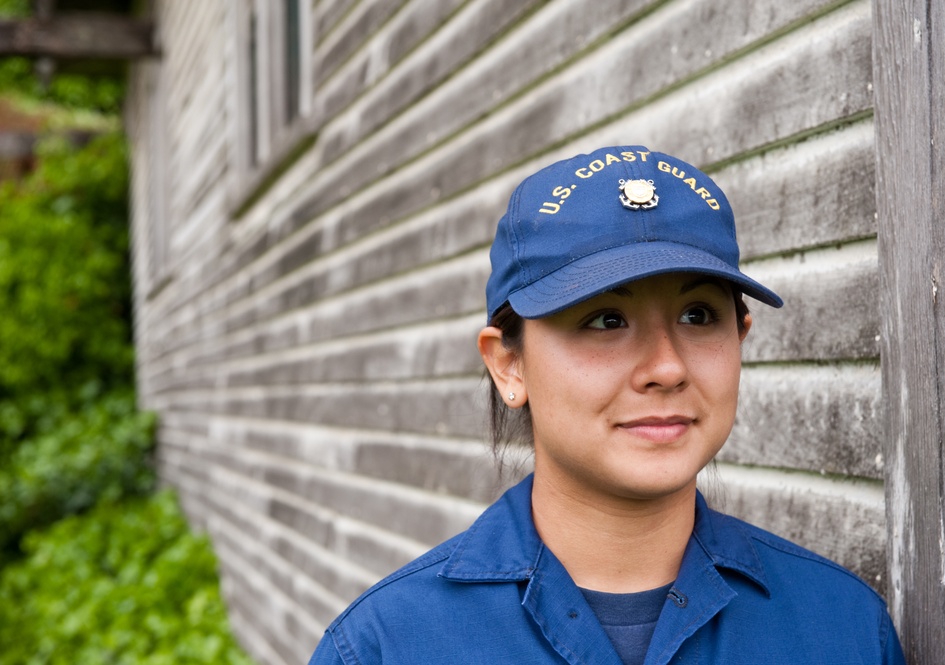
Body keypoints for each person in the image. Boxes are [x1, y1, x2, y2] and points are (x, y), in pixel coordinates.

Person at [308, 145, 906, 664]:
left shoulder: (844, 630)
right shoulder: (387, 647)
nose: (667, 366)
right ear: (507, 365)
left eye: (698, 315)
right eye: (605, 320)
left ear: (740, 338)